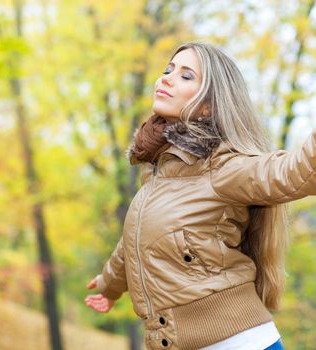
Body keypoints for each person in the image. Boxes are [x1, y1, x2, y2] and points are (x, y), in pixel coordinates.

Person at [85, 42, 315, 349]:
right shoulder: (156, 177)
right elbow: (133, 244)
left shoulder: (223, 168)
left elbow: (294, 172)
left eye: (186, 76)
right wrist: (107, 286)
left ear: (207, 106)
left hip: (237, 341)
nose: (166, 78)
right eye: (168, 70)